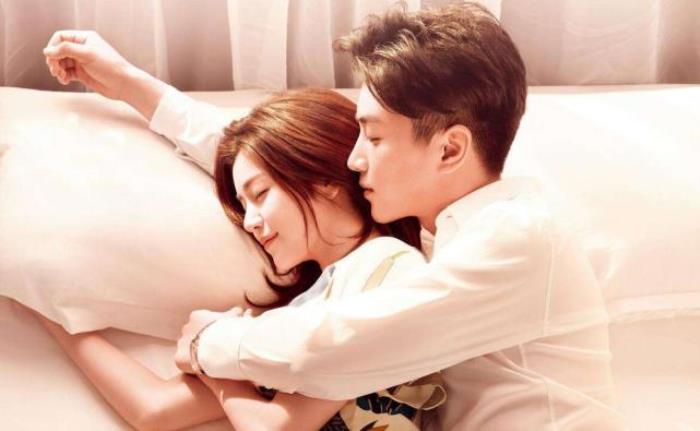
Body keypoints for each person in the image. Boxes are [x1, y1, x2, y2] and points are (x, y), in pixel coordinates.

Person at [44, 3, 626, 429]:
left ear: (449, 149)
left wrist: (210, 342)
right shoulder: (442, 238)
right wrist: (132, 87)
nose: (354, 157)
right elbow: (279, 163)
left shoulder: (514, 240)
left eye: (373, 136)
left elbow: (334, 345)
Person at [19, 88, 445, 430]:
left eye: (260, 194)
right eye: (243, 206)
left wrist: (210, 352)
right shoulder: (303, 310)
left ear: (322, 178)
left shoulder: (388, 266)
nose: (251, 222)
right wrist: (43, 304)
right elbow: (154, 409)